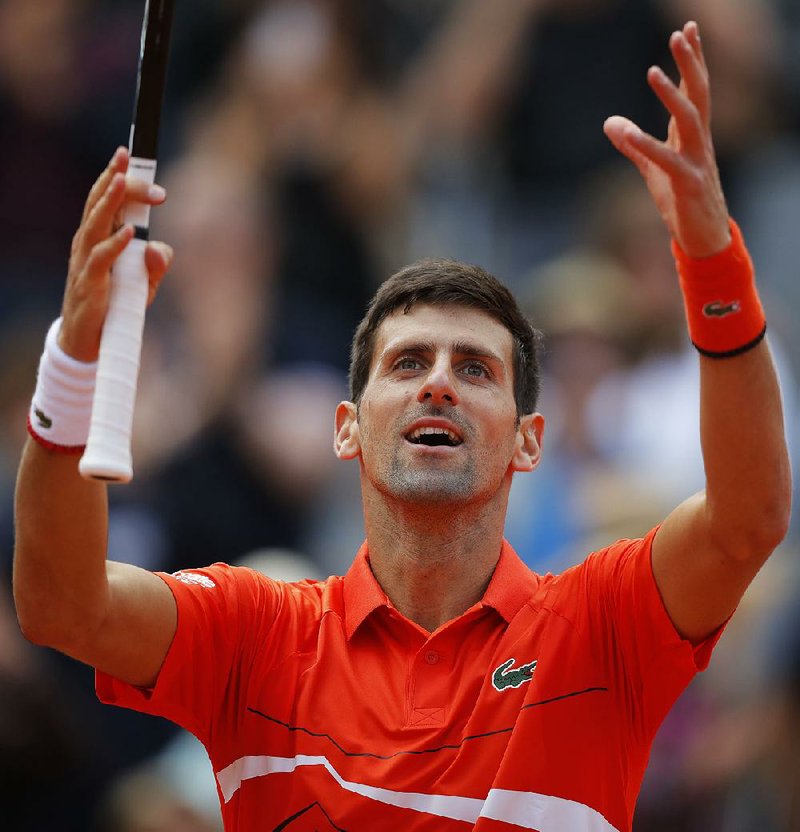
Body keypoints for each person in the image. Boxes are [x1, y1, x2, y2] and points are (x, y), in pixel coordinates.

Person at [13, 21, 791, 832]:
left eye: (477, 369)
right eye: (409, 363)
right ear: (347, 428)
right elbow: (60, 602)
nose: (440, 386)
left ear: (530, 440)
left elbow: (748, 523)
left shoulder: (598, 627)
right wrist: (74, 354)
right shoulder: (255, 633)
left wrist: (712, 260)